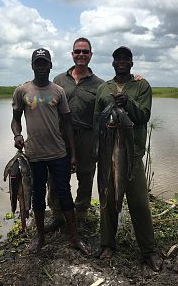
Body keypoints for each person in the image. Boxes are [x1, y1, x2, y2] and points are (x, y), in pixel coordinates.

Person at [11, 48, 89, 255]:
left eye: (45, 63)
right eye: (38, 63)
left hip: (58, 153)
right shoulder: (22, 91)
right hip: (34, 155)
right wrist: (17, 136)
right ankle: (41, 238)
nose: (41, 67)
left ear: (50, 66)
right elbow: (15, 120)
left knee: (64, 193)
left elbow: (67, 124)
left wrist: (72, 154)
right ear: (32, 66)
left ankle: (75, 238)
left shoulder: (58, 91)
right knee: (37, 195)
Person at [93, 46, 162, 271]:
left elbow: (143, 115)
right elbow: (97, 121)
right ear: (113, 63)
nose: (121, 61)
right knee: (107, 199)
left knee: (140, 203)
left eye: (126, 59)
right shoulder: (104, 88)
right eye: (118, 59)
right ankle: (107, 244)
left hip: (131, 155)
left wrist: (126, 103)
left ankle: (149, 251)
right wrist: (97, 149)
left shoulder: (142, 85)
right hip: (106, 154)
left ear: (131, 63)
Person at [46, 38, 104, 230]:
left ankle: (81, 213)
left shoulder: (100, 85)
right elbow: (47, 102)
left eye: (85, 52)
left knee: (86, 175)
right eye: (77, 51)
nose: (81, 55)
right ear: (72, 54)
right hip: (61, 135)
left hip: (87, 136)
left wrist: (135, 79)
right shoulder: (59, 80)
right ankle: (56, 213)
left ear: (91, 55)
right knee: (55, 176)